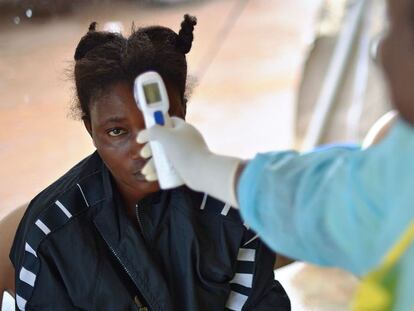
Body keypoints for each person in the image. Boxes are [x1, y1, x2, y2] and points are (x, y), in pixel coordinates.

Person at [137, 0, 414, 309]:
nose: (381, 51)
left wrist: (204, 168)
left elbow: (325, 202)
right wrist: (207, 168)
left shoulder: (394, 175)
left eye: (395, 29)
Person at [9, 15, 291, 311]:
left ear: (183, 111)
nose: (144, 147)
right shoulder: (51, 232)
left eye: (160, 120)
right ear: (90, 129)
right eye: (117, 131)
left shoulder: (231, 212)